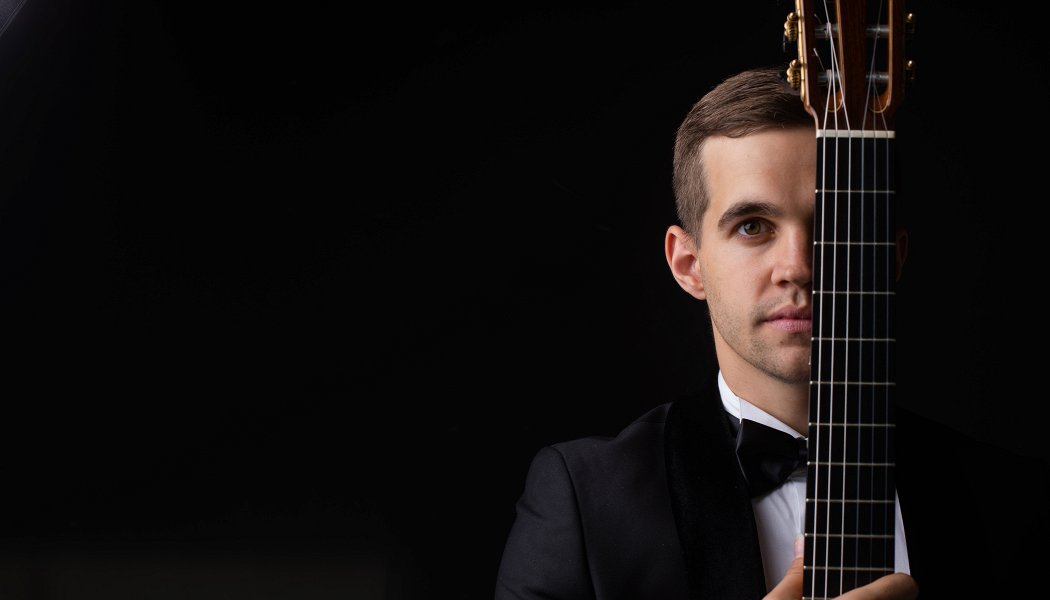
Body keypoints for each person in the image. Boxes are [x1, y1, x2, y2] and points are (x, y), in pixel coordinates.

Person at [494, 66, 1050, 599]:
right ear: (689, 264)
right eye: (753, 226)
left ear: (892, 257)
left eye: (837, 223)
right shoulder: (585, 499)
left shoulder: (1013, 501)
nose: (799, 267)